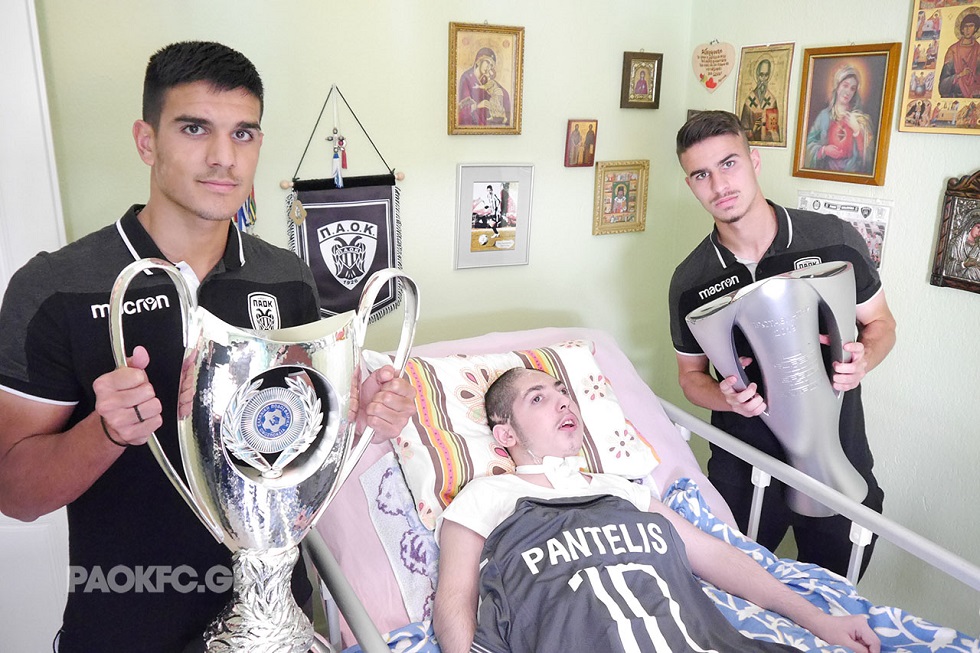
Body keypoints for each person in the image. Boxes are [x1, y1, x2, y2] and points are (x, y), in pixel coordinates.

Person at [0, 41, 417, 653]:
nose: (224, 157)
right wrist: (106, 431)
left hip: (275, 617)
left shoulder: (286, 278)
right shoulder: (55, 286)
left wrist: (360, 417)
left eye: (243, 134)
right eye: (195, 128)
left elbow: (296, 444)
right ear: (147, 141)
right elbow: (14, 494)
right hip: (126, 621)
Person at [432, 367, 881, 653]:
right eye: (538, 398)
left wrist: (819, 619)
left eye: (562, 391)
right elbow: (455, 599)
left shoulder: (621, 490)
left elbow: (716, 556)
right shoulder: (486, 497)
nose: (564, 401)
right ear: (506, 435)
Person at [667, 110, 896, 579]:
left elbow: (881, 323)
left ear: (754, 161)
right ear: (690, 185)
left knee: (833, 599)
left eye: (729, 164)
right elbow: (690, 378)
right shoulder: (690, 280)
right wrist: (726, 398)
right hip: (742, 469)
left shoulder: (831, 238)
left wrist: (865, 358)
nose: (719, 185)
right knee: (732, 597)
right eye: (702, 175)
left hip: (838, 455)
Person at [804, 64, 876, 175]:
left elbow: (869, 157)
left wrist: (857, 130)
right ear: (837, 86)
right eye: (845, 85)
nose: (848, 92)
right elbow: (807, 146)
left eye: (852, 88)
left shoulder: (861, 119)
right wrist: (824, 150)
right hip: (825, 175)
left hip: (852, 175)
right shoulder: (824, 116)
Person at [457, 47, 511, 127]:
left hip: (485, 124)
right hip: (472, 125)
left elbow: (504, 94)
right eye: (487, 62)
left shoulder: (485, 79)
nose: (489, 67)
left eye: (491, 66)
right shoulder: (466, 78)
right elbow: (462, 109)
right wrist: (478, 105)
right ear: (479, 60)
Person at [939, 12, 980, 98]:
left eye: (971, 26)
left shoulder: (978, 50)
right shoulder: (953, 50)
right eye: (965, 26)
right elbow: (943, 85)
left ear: (976, 28)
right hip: (955, 94)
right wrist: (960, 75)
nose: (968, 29)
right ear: (962, 29)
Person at [739, 58, 780, 143]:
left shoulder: (772, 100)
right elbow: (741, 132)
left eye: (766, 75)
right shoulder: (749, 101)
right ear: (757, 75)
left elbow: (775, 132)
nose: (763, 79)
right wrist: (753, 130)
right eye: (761, 75)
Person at [946, 210, 980, 282]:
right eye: (978, 227)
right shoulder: (956, 243)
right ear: (971, 226)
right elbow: (948, 267)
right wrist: (964, 264)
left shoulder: (978, 247)